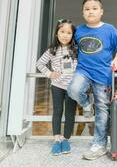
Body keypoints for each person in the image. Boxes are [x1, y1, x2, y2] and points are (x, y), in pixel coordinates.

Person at [67, 0, 117, 160]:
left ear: (101, 11)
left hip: (103, 74)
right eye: (87, 9)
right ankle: (87, 103)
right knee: (73, 89)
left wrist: (116, 60)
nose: (90, 11)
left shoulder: (110, 29)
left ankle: (99, 145)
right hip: (83, 70)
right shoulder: (78, 31)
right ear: (83, 13)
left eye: (94, 8)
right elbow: (69, 47)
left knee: (102, 111)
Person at [36, 19, 77, 156]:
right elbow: (40, 64)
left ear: (73, 35)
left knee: (70, 113)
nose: (65, 35)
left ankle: (66, 139)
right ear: (56, 33)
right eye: (62, 32)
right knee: (57, 112)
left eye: (69, 32)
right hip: (57, 86)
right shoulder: (52, 50)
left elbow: (83, 66)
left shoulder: (75, 50)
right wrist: (49, 73)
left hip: (72, 88)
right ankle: (56, 140)